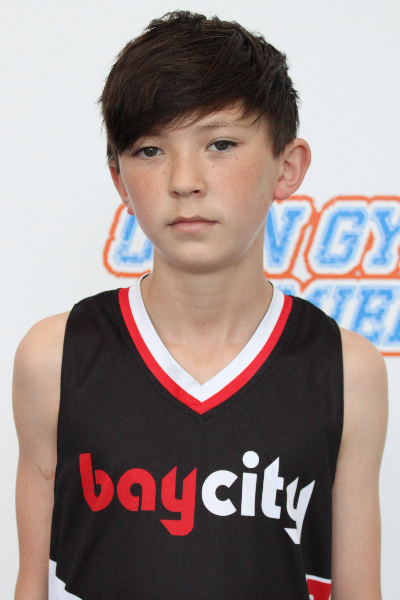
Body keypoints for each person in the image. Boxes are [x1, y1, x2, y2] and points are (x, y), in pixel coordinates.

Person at [12, 11, 387, 600]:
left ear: (287, 166)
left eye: (220, 144)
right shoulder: (55, 357)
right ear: (120, 181)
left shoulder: (346, 371)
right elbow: (34, 582)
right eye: (150, 150)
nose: (185, 180)